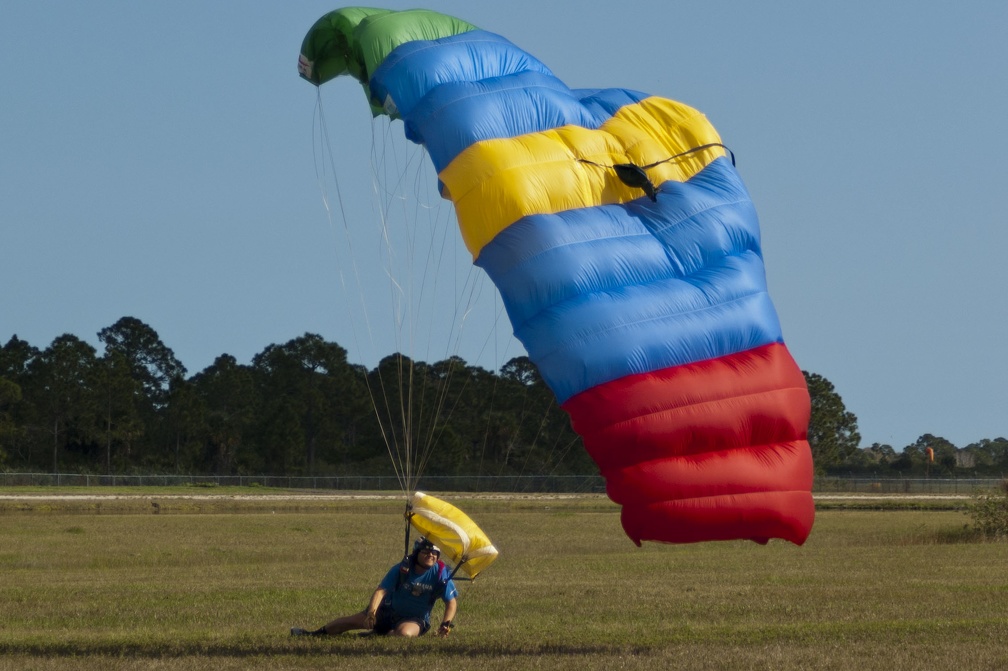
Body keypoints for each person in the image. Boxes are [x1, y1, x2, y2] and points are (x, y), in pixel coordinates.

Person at [291, 538, 458, 638]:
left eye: (434, 554)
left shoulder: (441, 574)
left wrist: (446, 624)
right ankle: (314, 634)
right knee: (347, 622)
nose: (431, 556)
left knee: (404, 634)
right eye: (426, 552)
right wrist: (371, 613)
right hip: (387, 611)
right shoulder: (402, 568)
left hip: (414, 619)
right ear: (416, 553)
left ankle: (382, 633)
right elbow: (381, 591)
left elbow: (451, 602)